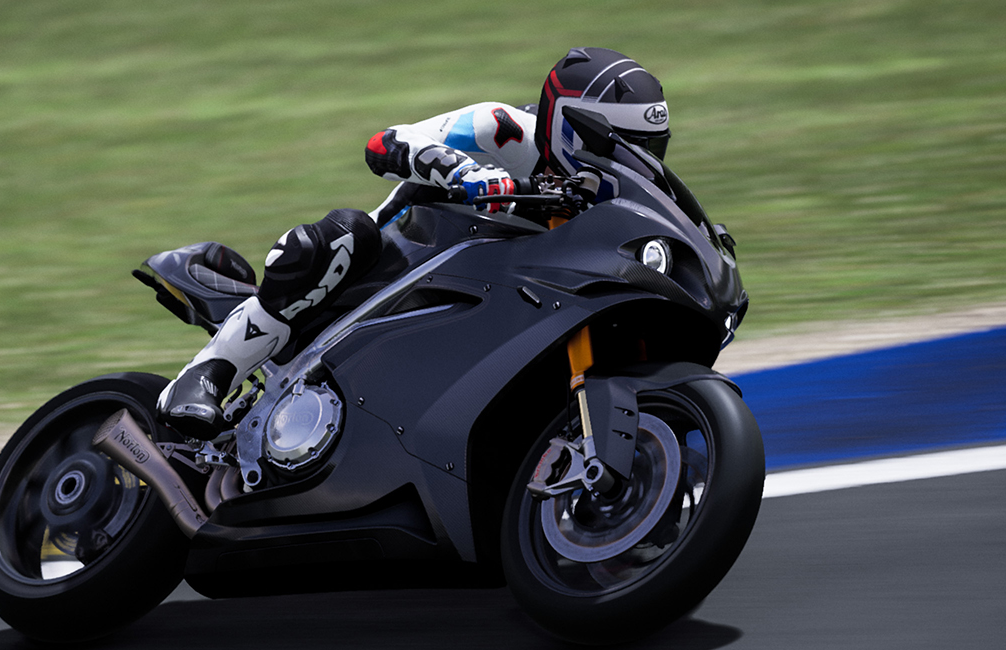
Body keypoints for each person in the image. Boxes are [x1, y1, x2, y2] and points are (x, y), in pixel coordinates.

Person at [154, 46, 672, 438]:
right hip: (388, 271)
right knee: (341, 235)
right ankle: (205, 376)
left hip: (486, 314)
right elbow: (385, 142)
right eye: (618, 144)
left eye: (648, 147)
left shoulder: (613, 204)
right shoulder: (506, 129)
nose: (633, 160)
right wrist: (464, 172)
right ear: (568, 127)